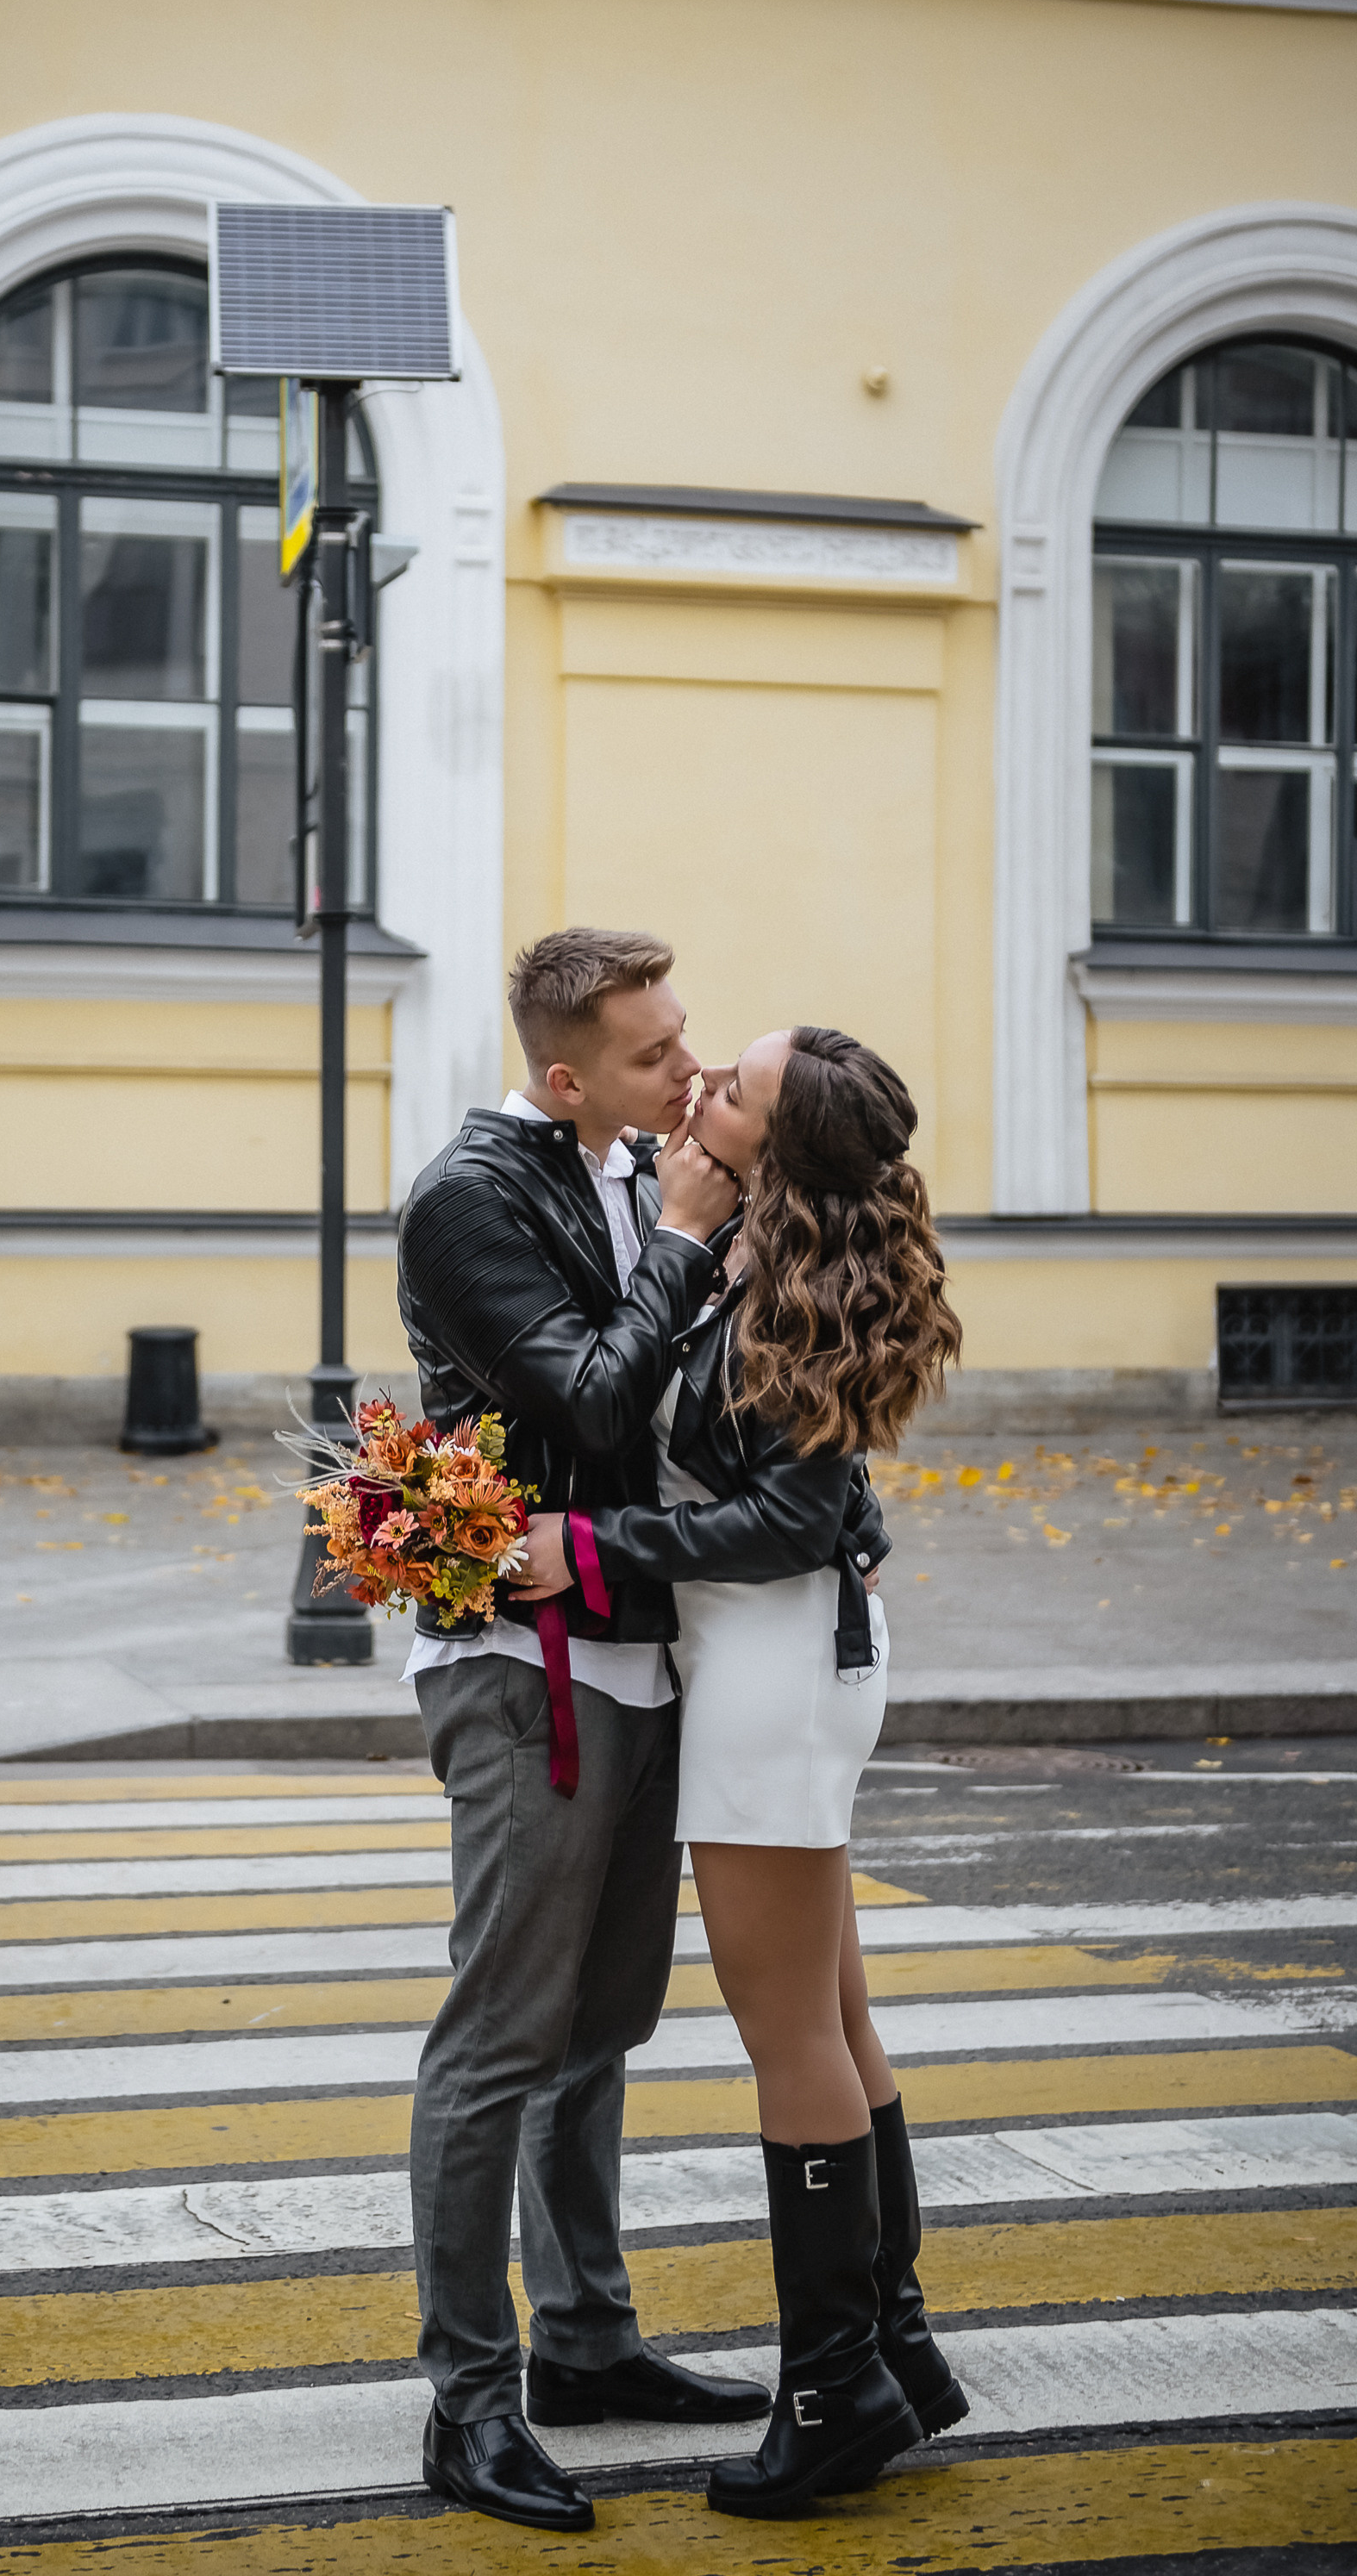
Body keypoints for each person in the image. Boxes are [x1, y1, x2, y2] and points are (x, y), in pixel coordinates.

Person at [397, 934, 889, 2536]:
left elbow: (774, 1391)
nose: (688, 1077)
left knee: (601, 2025)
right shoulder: (476, 1199)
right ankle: (470, 2405)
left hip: (650, 1654)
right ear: (564, 1075)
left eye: (696, 1049)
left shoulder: (652, 1173)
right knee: (502, 2040)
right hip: (524, 1659)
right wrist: (683, 1231)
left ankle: (589, 2344)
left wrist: (830, 1513)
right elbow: (598, 1405)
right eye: (653, 1055)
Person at [517, 1023, 966, 2516]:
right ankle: (896, 2350)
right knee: (835, 2014)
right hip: (784, 1657)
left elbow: (789, 1515)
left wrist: (587, 1547)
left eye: (737, 1089)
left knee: (791, 2038)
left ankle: (836, 2394)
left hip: (773, 1665)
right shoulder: (760, 1264)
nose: (702, 1085)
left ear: (778, 1148)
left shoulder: (786, 1286)